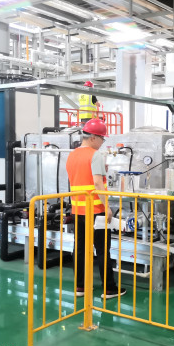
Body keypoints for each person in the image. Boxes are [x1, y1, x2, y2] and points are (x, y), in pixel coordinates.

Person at [66, 118, 126, 299]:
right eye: (102, 139)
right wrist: (107, 207)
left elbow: (79, 179)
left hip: (78, 211)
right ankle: (109, 289)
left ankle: (80, 287)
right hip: (96, 211)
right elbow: (98, 184)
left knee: (80, 249)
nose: (102, 142)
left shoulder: (72, 155)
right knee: (102, 250)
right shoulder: (95, 155)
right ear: (93, 137)